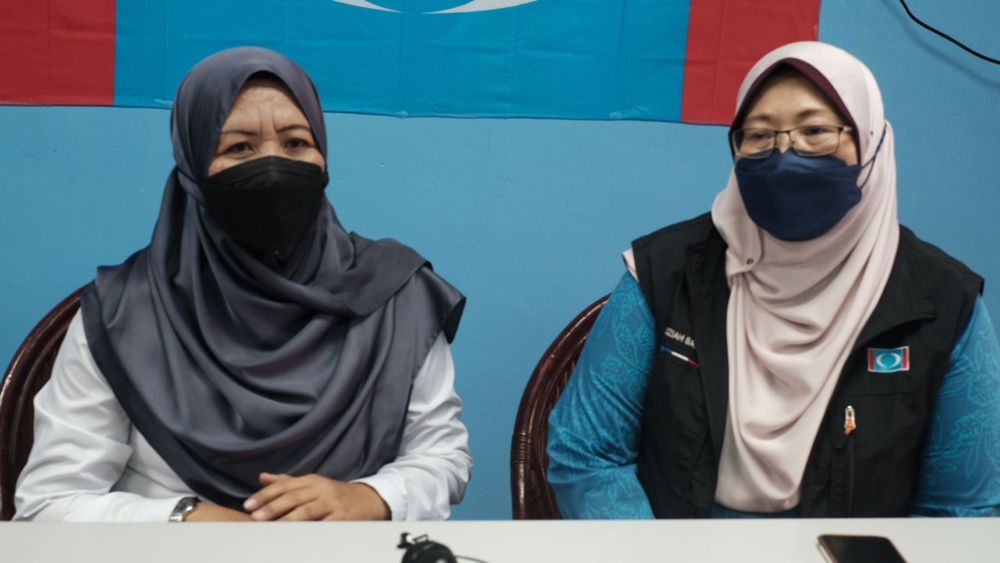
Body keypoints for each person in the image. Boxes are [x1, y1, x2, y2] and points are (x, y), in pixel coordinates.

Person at [14, 47, 470, 522]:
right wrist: (186, 520)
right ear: (192, 168)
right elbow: (49, 503)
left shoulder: (393, 293)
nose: (273, 167)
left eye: (295, 144)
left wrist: (370, 498)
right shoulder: (123, 311)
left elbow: (444, 459)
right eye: (239, 148)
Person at [547, 41, 1000, 518]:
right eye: (759, 135)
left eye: (816, 130)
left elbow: (964, 507)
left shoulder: (944, 303)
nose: (786, 153)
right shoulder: (663, 272)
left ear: (871, 142)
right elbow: (587, 454)